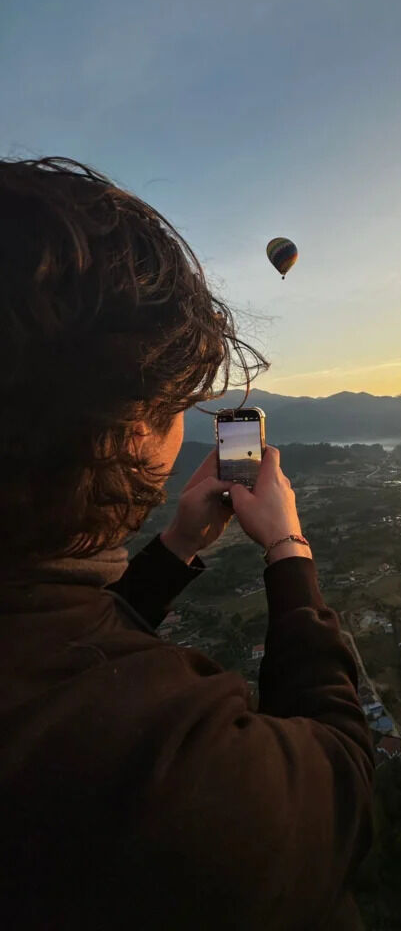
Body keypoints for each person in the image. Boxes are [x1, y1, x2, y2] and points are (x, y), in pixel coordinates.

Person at [0, 158, 374, 929]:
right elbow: (340, 785)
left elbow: (56, 644)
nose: (181, 433)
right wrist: (290, 553)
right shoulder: (168, 766)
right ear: (126, 429)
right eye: (178, 406)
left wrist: (173, 550)